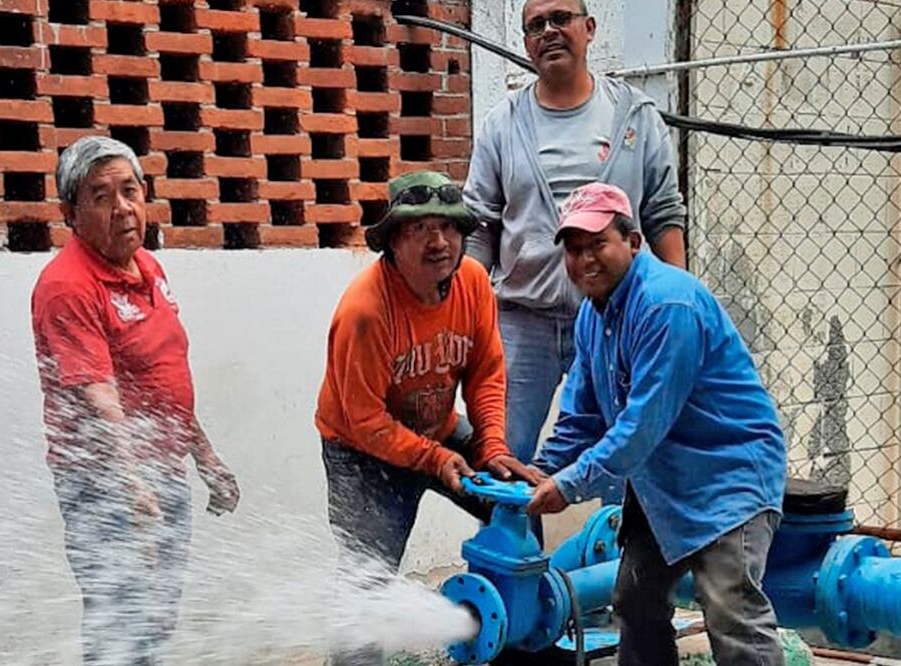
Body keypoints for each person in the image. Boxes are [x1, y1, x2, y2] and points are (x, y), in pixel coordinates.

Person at [526, 182, 787, 665]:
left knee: (732, 613)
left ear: (634, 242)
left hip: (727, 478)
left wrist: (567, 485)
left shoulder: (667, 305)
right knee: (634, 600)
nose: (585, 259)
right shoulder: (593, 314)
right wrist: (538, 470)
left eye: (597, 244)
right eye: (574, 249)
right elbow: (582, 417)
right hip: (662, 480)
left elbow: (642, 426)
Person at [30, 136, 240, 664]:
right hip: (106, 483)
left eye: (130, 191)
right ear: (69, 213)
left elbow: (164, 378)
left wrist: (206, 459)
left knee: (156, 619)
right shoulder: (67, 286)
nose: (122, 207)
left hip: (160, 472)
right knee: (119, 626)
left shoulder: (148, 267)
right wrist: (131, 484)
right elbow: (97, 396)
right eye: (100, 196)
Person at [315, 171, 539, 666]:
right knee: (367, 574)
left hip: (436, 433)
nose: (439, 242)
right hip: (360, 450)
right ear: (393, 241)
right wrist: (432, 458)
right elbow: (363, 419)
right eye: (420, 229)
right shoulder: (365, 311)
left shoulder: (474, 282)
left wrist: (494, 447)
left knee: (514, 513)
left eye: (450, 228)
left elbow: (486, 371)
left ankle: (519, 642)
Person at [464, 0, 688, 463]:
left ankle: (622, 539)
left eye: (560, 18)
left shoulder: (635, 116)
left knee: (631, 457)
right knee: (505, 458)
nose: (549, 31)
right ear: (526, 44)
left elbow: (663, 213)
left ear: (589, 28)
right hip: (523, 323)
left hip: (619, 319)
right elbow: (480, 224)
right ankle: (515, 540)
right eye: (535, 25)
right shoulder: (503, 124)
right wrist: (465, 309)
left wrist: (677, 303)